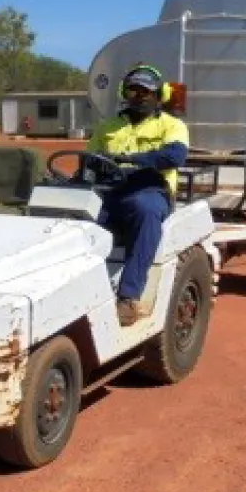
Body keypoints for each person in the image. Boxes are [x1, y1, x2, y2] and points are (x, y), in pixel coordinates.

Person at [86, 64, 190, 327]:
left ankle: (128, 297)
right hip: (109, 191)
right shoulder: (107, 126)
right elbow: (90, 160)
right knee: (74, 221)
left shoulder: (172, 125)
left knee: (146, 212)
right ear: (124, 92)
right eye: (134, 90)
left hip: (149, 189)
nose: (139, 96)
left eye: (146, 91)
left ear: (160, 95)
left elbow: (174, 156)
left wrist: (131, 159)